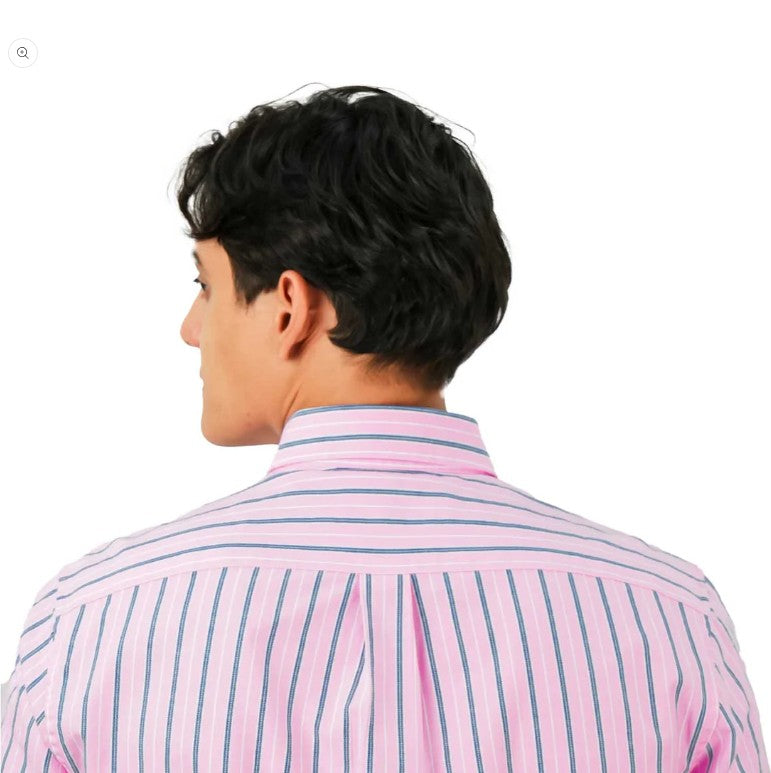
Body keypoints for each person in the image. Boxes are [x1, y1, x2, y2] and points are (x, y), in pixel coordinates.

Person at [2, 84, 767, 773]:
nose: (190, 328)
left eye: (207, 285)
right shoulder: (667, 615)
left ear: (289, 306)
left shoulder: (92, 620)